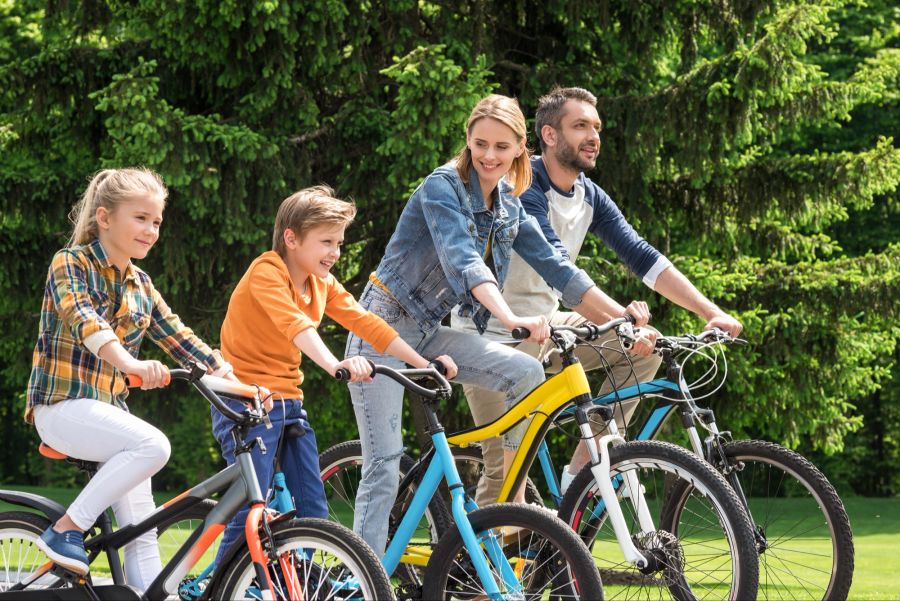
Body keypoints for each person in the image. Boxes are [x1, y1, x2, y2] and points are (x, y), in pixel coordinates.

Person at [345, 94, 655, 554]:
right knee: (385, 462)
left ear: (519, 147)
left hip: (429, 333)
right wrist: (512, 318)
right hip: (381, 333)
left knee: (525, 372)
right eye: (479, 144)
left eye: (500, 146)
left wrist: (621, 323)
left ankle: (511, 499)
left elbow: (558, 269)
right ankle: (364, 575)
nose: (489, 156)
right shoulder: (442, 187)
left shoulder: (508, 206)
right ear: (467, 143)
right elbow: (464, 261)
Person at [453, 86, 744, 504]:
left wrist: (709, 310)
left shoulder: (589, 194)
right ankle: (472, 568)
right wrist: (623, 320)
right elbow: (560, 270)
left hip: (547, 326)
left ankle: (583, 474)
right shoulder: (521, 187)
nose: (593, 136)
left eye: (596, 127)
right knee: (506, 478)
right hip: (493, 335)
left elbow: (642, 255)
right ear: (550, 136)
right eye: (580, 126)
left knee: (645, 353)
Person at [210, 185, 456, 563]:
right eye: (326, 242)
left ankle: (304, 583)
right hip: (246, 403)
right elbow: (295, 325)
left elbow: (366, 323)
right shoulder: (266, 272)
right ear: (291, 239)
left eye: (339, 243)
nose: (335, 253)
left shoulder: (321, 283)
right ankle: (220, 587)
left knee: (313, 509)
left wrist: (422, 364)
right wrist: (334, 364)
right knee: (249, 509)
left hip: (287, 403)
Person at [26, 168, 244, 590]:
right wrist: (130, 363)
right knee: (153, 444)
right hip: (60, 407)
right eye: (140, 218)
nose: (150, 230)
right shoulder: (71, 263)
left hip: (108, 418)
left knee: (143, 531)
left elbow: (180, 338)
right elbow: (84, 319)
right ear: (105, 218)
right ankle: (66, 527)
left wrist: (237, 381)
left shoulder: (141, 284)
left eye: (157, 222)